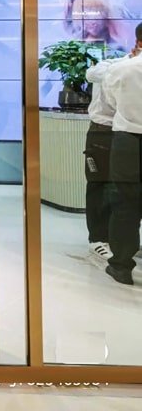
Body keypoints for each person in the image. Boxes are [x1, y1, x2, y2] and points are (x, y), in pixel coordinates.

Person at [101, 22, 142, 285]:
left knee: (125, 203)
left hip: (128, 141)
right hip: (127, 138)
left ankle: (122, 266)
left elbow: (111, 102)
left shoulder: (121, 69)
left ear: (138, 41)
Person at [83, 50, 129, 261]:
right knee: (100, 185)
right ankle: (98, 239)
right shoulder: (111, 65)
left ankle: (122, 239)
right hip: (104, 132)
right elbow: (91, 74)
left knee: (127, 187)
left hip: (129, 134)